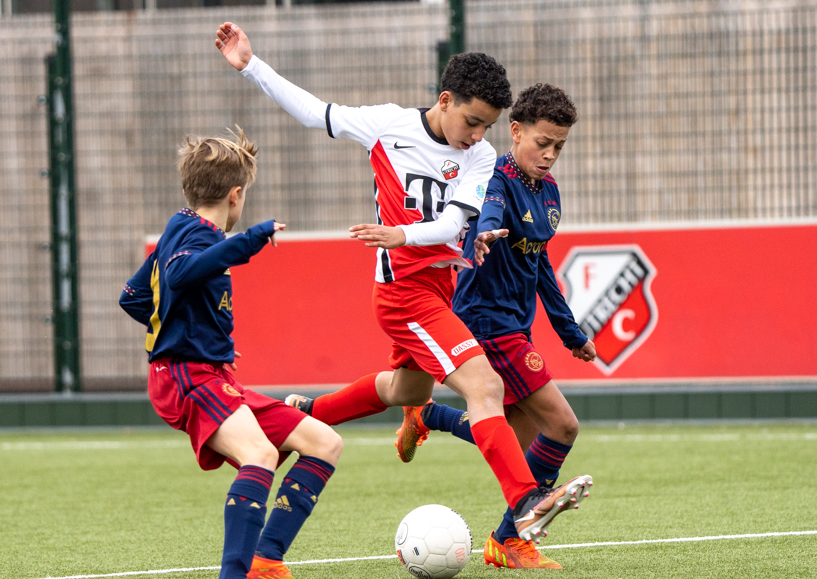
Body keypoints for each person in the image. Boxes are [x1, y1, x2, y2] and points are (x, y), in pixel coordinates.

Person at [216, 23, 590, 548]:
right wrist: (251, 65)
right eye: (472, 122)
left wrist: (404, 232)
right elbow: (312, 111)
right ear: (445, 100)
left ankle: (298, 416)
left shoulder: (481, 158)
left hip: (438, 292)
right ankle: (526, 503)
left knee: (404, 390)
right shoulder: (388, 126)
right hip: (403, 294)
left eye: (486, 127)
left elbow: (448, 225)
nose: (477, 136)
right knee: (486, 387)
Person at [119, 128, 343, 579]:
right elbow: (179, 276)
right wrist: (249, 241)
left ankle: (267, 563)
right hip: (186, 379)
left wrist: (193, 335)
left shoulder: (180, 231)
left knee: (323, 442)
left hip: (211, 373)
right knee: (261, 453)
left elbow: (134, 297)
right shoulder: (195, 234)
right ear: (236, 194)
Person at [395, 84, 596, 570]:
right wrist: (482, 232)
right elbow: (488, 211)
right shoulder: (495, 177)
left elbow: (541, 266)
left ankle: (428, 417)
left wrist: (571, 333)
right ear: (516, 131)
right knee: (563, 425)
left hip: (517, 326)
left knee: (515, 439)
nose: (549, 155)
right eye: (542, 143)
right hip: (485, 323)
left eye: (559, 147)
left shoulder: (548, 193)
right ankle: (510, 540)